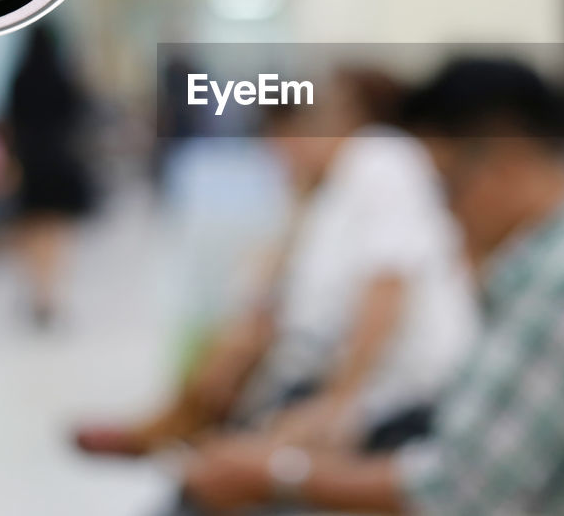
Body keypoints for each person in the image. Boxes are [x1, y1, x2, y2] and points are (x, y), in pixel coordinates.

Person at [177, 58, 564, 516]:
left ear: (506, 161)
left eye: (446, 188)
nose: (444, 214)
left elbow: (459, 493)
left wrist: (281, 474)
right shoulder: (555, 260)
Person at [75, 68, 478, 459]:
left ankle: (177, 432)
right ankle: (175, 425)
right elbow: (283, 287)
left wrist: (338, 403)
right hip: (332, 376)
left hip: (395, 393)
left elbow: (387, 285)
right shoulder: (329, 189)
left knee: (235, 462)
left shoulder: (380, 158)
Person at [4, 23, 95, 327]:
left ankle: (37, 292)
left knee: (32, 230)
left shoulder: (18, 78)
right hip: (59, 162)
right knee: (56, 231)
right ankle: (51, 294)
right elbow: (79, 118)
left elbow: (10, 124)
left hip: (30, 161)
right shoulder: (63, 78)